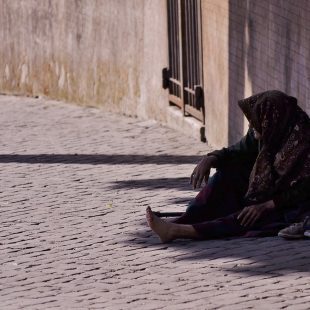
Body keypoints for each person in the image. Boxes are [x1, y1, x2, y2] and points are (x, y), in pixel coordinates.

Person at [146, 90, 310, 243]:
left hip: (291, 206)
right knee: (228, 174)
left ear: (271, 119)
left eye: (256, 121)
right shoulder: (270, 130)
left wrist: (265, 205)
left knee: (249, 217)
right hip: (268, 191)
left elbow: (302, 190)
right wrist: (211, 158)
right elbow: (238, 151)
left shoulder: (303, 142)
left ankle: (179, 231)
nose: (252, 128)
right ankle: (183, 220)